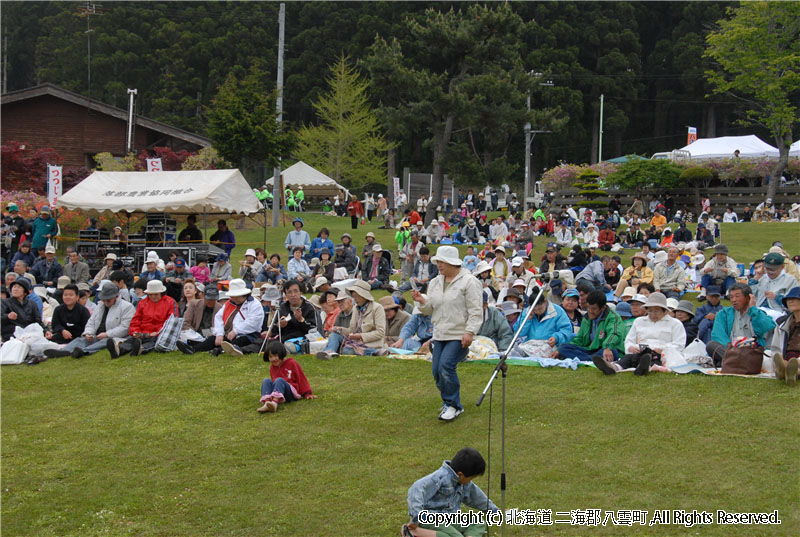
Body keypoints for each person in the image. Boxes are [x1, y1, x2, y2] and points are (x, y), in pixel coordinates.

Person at [412, 246, 482, 421]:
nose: (439, 265)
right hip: (439, 333)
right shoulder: (435, 282)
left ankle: (453, 405)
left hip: (459, 333)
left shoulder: (469, 281)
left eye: (441, 261)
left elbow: (475, 310)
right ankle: (448, 401)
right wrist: (421, 301)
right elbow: (431, 308)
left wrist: (470, 332)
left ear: (452, 262)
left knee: (446, 366)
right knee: (436, 371)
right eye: (437, 262)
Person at [405, 447, 500, 537]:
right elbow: (416, 489)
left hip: (450, 519)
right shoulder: (439, 477)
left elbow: (477, 497)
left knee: (477, 522)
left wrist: (495, 511)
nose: (470, 481)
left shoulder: (463, 482)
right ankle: (411, 532)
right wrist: (416, 518)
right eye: (471, 478)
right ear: (460, 474)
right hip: (432, 520)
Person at [593, 292, 685, 376]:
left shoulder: (675, 323)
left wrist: (664, 349)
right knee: (628, 358)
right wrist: (631, 347)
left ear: (664, 311)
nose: (653, 314)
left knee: (651, 358)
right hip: (639, 350)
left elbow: (679, 344)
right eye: (650, 311)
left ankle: (644, 367)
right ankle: (613, 367)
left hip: (660, 354)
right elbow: (629, 340)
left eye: (656, 311)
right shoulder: (639, 321)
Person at [706, 283, 776, 367]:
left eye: (737, 296)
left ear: (748, 298)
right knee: (711, 345)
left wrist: (753, 309)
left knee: (766, 353)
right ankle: (736, 363)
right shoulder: (723, 314)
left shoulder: (757, 313)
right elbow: (717, 335)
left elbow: (766, 327)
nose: (734, 300)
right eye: (731, 297)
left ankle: (730, 363)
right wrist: (730, 346)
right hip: (730, 350)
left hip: (752, 351)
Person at [106, 279, 178, 358]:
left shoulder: (170, 302)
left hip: (157, 334)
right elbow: (136, 319)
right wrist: (135, 331)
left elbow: (172, 321)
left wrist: (158, 332)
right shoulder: (142, 303)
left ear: (161, 293)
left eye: (156, 294)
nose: (153, 297)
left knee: (152, 341)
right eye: (150, 294)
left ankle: (139, 349)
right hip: (141, 332)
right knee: (131, 340)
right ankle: (118, 350)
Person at [556, 290, 626, 361]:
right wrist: (559, 350)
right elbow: (579, 338)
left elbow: (614, 334)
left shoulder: (613, 317)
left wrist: (607, 347)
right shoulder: (586, 318)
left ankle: (588, 359)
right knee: (563, 347)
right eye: (588, 307)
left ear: (603, 308)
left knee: (612, 351)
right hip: (590, 349)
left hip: (606, 348)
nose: (590, 311)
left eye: (593, 308)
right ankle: (592, 359)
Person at [256, 340, 316, 413]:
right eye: (270, 357)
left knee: (279, 380)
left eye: (275, 356)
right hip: (279, 391)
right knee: (266, 380)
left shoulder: (292, 363)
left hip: (290, 393)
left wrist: (307, 393)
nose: (273, 359)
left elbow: (301, 378)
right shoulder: (272, 367)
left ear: (281, 354)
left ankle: (274, 403)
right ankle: (267, 403)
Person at [768, 287, 800, 386]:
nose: (790, 301)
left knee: (795, 362)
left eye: (794, 298)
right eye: (788, 299)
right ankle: (787, 371)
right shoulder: (782, 323)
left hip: (797, 360)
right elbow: (776, 346)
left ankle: (790, 372)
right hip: (787, 357)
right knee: (766, 354)